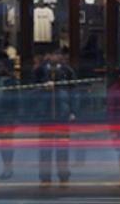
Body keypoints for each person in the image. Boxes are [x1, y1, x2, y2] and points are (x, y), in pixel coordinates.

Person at [31, 50, 77, 188]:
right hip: (45, 115)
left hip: (62, 114)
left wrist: (73, 110)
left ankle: (64, 177)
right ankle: (45, 178)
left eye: (58, 54)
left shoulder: (67, 71)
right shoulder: (39, 71)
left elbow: (73, 92)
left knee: (63, 149)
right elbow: (31, 90)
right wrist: (42, 88)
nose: (55, 57)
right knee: (45, 149)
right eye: (52, 54)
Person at [0, 58, 18, 180]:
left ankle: (8, 167)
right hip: (2, 114)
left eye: (0, 66)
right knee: (4, 142)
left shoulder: (10, 82)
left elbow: (14, 100)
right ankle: (7, 167)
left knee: (6, 142)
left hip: (7, 114)